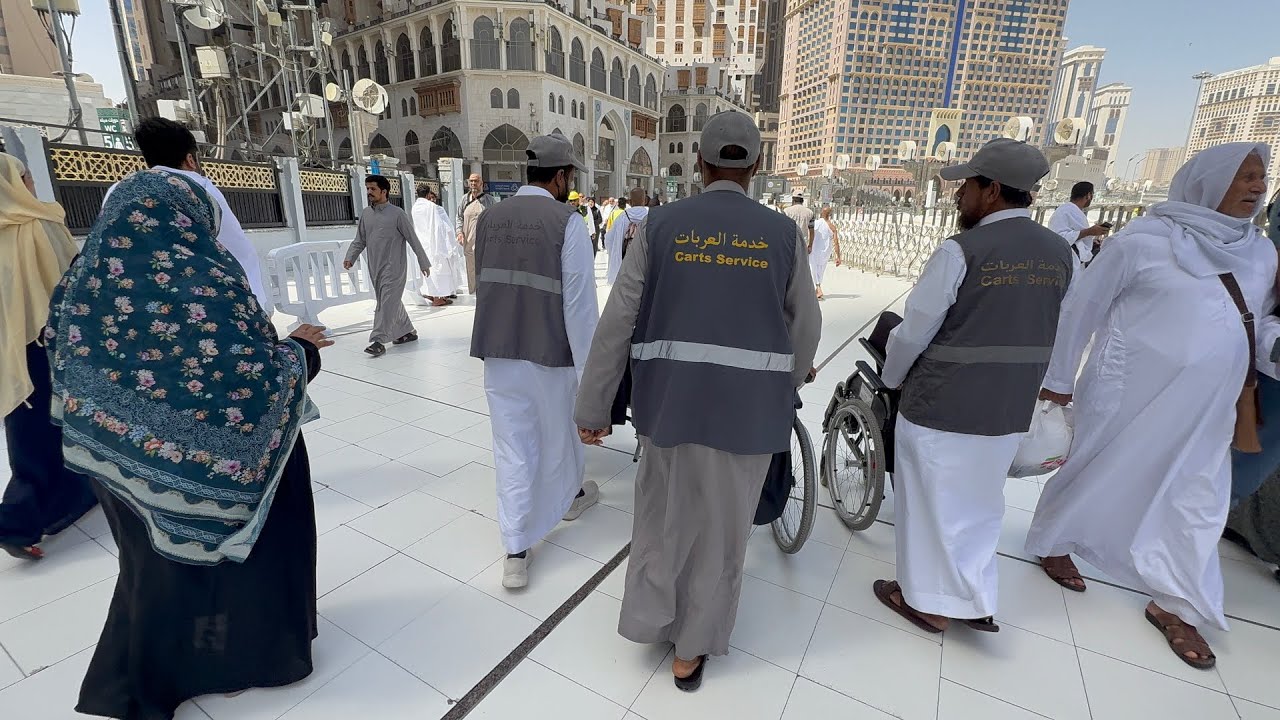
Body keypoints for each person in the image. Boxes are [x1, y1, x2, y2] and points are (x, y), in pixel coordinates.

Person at [48, 168, 333, 719]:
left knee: (160, 568)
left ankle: (175, 663)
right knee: (240, 561)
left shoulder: (83, 281)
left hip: (125, 463)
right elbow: (250, 381)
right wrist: (301, 351)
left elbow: (65, 361)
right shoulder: (205, 275)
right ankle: (244, 661)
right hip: (227, 464)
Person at [574, 111, 821, 691]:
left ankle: (653, 620)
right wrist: (783, 384)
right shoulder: (783, 234)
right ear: (754, 167)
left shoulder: (661, 227)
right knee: (721, 534)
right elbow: (805, 327)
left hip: (668, 407)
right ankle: (691, 650)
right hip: (748, 415)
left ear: (702, 164)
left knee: (661, 520)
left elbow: (617, 321)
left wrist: (593, 407)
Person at [1027, 142, 1276, 670]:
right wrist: (1059, 381)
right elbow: (1081, 308)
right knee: (1097, 469)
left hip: (1210, 407)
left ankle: (1176, 604)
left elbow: (1260, 321)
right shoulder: (1144, 241)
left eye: (1262, 176)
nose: (1258, 186)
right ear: (1209, 182)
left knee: (1197, 499)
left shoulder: (1261, 253)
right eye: (1246, 175)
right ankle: (1054, 539)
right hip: (1127, 392)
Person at [870, 138, 1072, 635]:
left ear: (993, 190)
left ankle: (929, 603)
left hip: (942, 403)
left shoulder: (961, 251)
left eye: (967, 185)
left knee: (927, 504)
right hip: (1008, 408)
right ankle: (972, 596)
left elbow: (915, 329)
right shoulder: (1058, 252)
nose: (960, 194)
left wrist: (891, 379)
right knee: (980, 505)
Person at [470, 133, 600, 589]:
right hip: (551, 354)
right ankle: (568, 500)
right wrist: (592, 382)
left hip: (498, 350)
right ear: (561, 176)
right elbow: (580, 310)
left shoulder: (489, 217)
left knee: (512, 446)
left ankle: (515, 550)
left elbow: (482, 283)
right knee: (559, 437)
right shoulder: (568, 223)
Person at [0, 152, 96, 560]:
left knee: (27, 430)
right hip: (51, 344)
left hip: (9, 350)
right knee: (67, 421)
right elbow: (73, 283)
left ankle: (44, 509)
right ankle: (16, 520)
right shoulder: (41, 222)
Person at [104, 117, 271, 314]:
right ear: (191, 160)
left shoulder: (118, 190)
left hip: (129, 303)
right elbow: (236, 249)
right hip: (194, 304)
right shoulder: (197, 187)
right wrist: (259, 307)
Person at [344, 175, 431, 357]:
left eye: (373, 189)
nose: (369, 192)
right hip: (375, 267)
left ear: (384, 191)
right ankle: (406, 332)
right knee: (389, 301)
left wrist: (423, 261)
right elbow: (360, 240)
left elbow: (413, 239)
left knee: (385, 302)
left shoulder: (397, 214)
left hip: (395, 268)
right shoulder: (366, 214)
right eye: (367, 189)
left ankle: (378, 340)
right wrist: (350, 256)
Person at [413, 186, 464, 306]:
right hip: (434, 244)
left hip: (422, 243)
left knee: (426, 270)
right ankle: (437, 298)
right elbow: (438, 227)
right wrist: (444, 246)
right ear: (427, 194)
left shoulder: (415, 207)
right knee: (437, 270)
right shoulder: (431, 207)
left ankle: (429, 294)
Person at [1047, 181, 1110, 267]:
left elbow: (1076, 235)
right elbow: (1059, 238)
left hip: (1075, 260)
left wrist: (1091, 239)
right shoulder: (1065, 211)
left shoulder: (1072, 210)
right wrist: (1089, 232)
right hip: (1067, 260)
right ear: (1088, 195)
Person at [455, 172, 496, 293]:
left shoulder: (489, 200)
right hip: (469, 240)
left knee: (485, 267)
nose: (473, 183)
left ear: (481, 183)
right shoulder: (464, 199)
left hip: (486, 241)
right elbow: (459, 217)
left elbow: (496, 218)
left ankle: (485, 291)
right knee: (471, 267)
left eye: (476, 181)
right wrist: (459, 232)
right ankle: (473, 291)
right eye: (471, 181)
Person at [605, 187, 649, 285]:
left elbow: (609, 240)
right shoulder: (651, 216)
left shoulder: (623, 217)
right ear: (645, 200)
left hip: (626, 262)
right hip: (646, 263)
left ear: (630, 201)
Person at [810, 206, 842, 300]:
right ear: (830, 214)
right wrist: (838, 256)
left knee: (813, 268)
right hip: (826, 251)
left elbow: (810, 234)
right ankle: (818, 288)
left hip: (815, 249)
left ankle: (818, 287)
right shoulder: (832, 227)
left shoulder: (816, 223)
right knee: (821, 270)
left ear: (821, 213)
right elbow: (836, 242)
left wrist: (809, 245)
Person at [783, 191, 815, 256]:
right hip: (803, 244)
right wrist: (810, 245)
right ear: (802, 200)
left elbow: (783, 229)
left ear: (793, 200)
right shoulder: (810, 213)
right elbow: (811, 231)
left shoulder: (786, 211)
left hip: (789, 243)